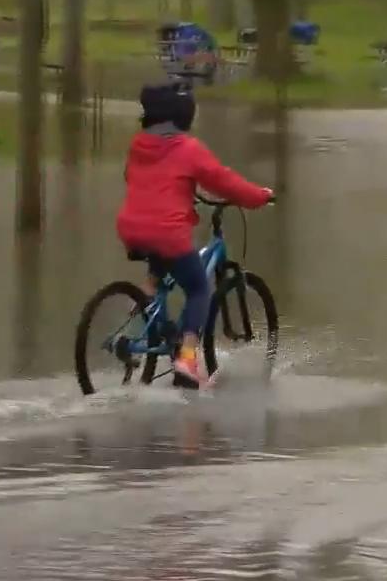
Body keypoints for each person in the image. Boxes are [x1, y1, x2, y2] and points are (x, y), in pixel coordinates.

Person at [117, 82, 274, 386]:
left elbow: (132, 176)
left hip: (131, 227)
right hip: (167, 231)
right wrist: (259, 196)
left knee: (162, 255)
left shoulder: (138, 145)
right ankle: (187, 359)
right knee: (199, 288)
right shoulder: (188, 150)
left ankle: (145, 296)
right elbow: (224, 182)